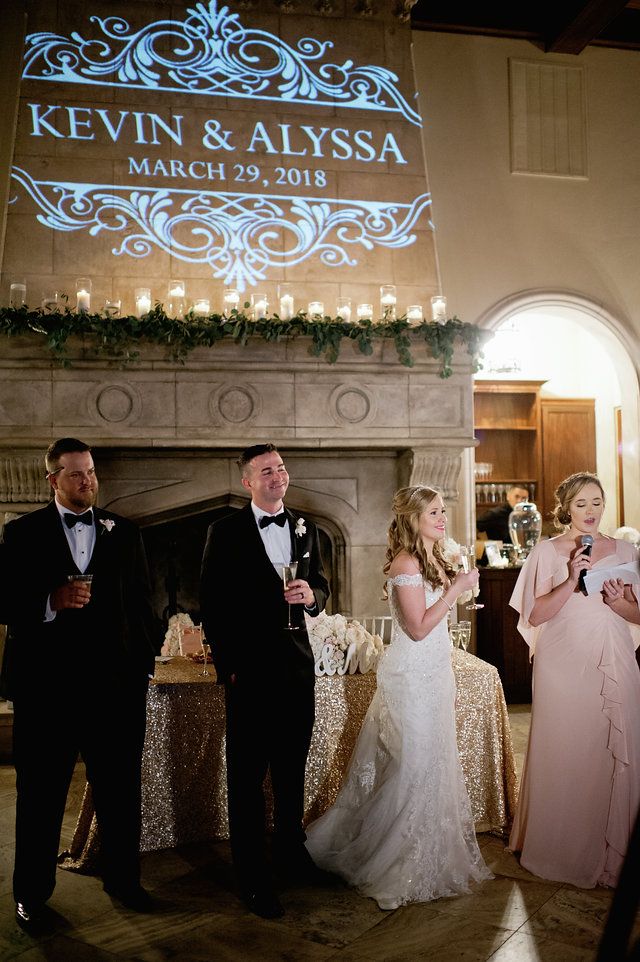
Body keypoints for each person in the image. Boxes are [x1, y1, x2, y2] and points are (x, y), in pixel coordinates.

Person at [305, 484, 491, 910]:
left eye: (444, 511)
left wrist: (456, 584)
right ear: (413, 520)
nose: (443, 519)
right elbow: (419, 627)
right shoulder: (405, 563)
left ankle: (433, 859)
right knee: (412, 765)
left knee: (434, 763)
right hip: (410, 676)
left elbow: (438, 628)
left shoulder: (437, 558)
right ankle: (397, 869)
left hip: (435, 673)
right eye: (434, 514)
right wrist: (457, 589)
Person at [0, 438, 159, 927]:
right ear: (53, 480)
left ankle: (124, 880)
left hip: (115, 689)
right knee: (41, 794)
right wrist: (51, 601)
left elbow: (142, 607)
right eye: (75, 474)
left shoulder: (125, 533)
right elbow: (4, 602)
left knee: (120, 790)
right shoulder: (21, 533)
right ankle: (31, 894)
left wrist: (142, 668)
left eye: (90, 472)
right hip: (46, 692)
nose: (87, 480)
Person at [200, 443, 330, 919]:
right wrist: (230, 667)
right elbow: (211, 604)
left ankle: (292, 857)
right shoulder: (225, 531)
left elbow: (322, 583)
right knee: (248, 779)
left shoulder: (306, 526)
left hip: (297, 668)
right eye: (267, 471)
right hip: (249, 674)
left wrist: (312, 595)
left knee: (292, 770)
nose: (278, 477)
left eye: (281, 468)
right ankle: (252, 876)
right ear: (247, 481)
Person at [509, 471, 640, 888]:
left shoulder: (626, 550)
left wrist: (620, 604)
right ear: (565, 508)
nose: (590, 512)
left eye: (597, 503)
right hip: (563, 664)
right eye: (581, 504)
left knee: (615, 746)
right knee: (569, 747)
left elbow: (638, 614)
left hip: (615, 655)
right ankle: (563, 846)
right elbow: (535, 615)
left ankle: (615, 847)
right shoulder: (546, 552)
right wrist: (570, 578)